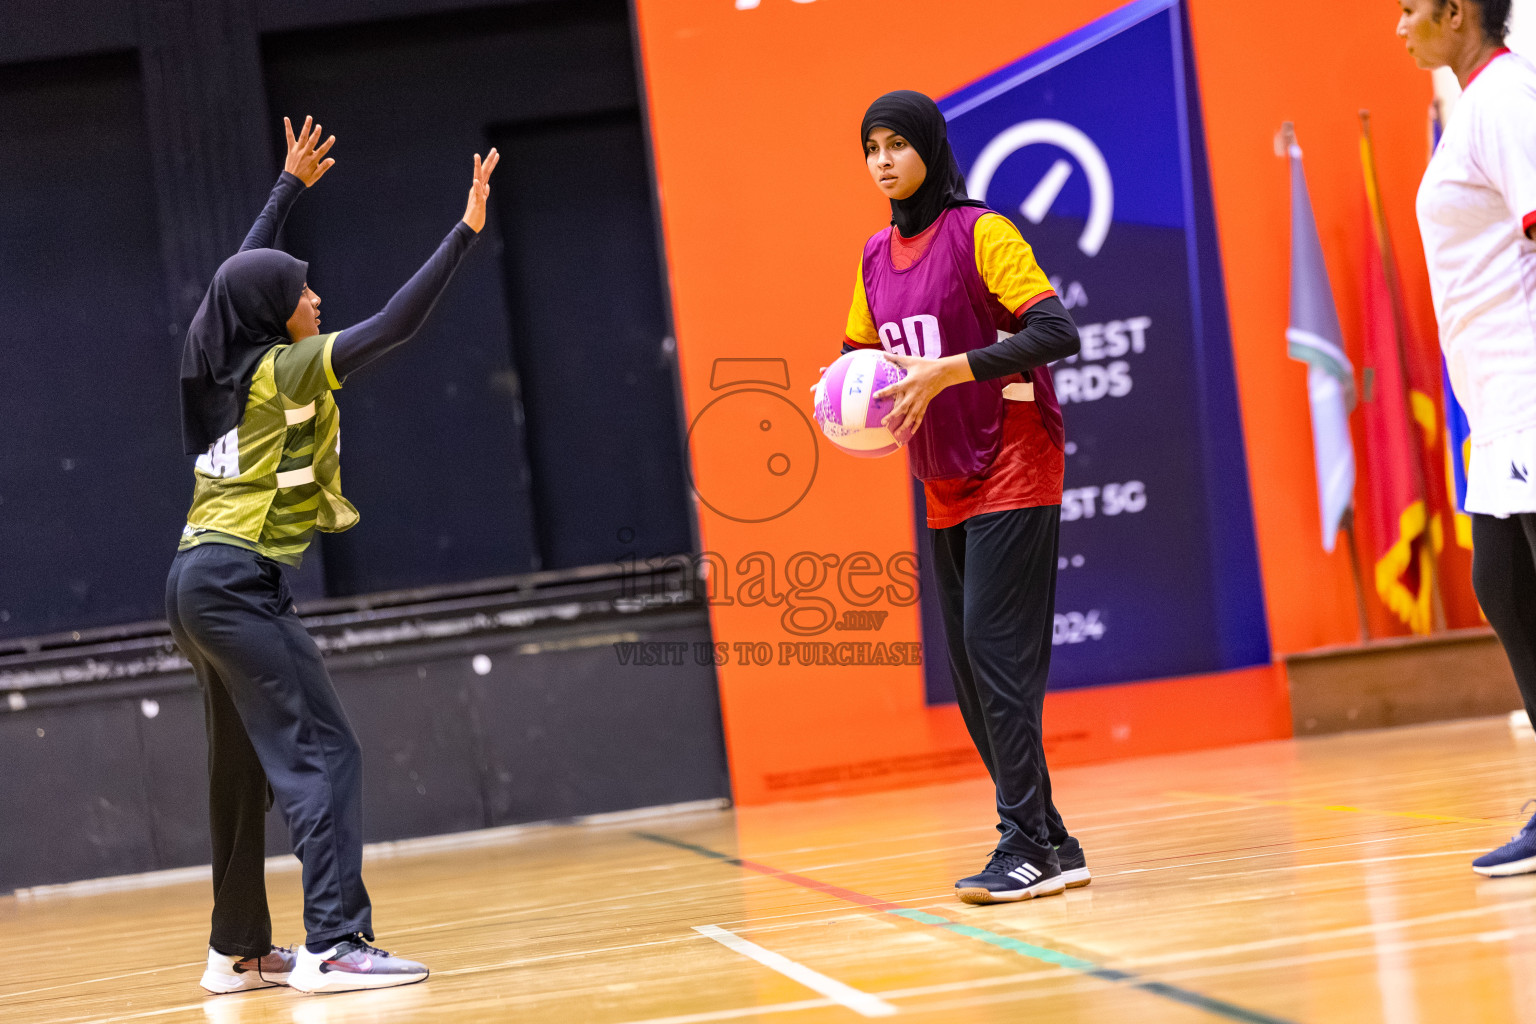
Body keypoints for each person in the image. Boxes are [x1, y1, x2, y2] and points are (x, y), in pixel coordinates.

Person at [168, 115, 499, 992]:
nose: (317, 298)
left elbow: (233, 282)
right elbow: (395, 323)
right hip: (238, 585)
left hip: (192, 582)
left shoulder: (215, 361)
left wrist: (284, 192)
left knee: (240, 770)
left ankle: (237, 951)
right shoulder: (286, 368)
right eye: (304, 291)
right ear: (278, 315)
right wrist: (465, 230)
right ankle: (335, 943)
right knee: (322, 751)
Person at [837, 90, 1085, 904]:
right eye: (870, 146)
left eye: (896, 143)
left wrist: (955, 368)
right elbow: (857, 360)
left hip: (1015, 457)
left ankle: (1022, 843)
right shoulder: (874, 256)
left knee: (993, 649)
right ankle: (1050, 837)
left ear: (929, 150)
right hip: (942, 471)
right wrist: (844, 400)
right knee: (972, 674)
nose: (882, 159)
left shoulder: (981, 231)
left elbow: (1056, 332)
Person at [1404, 0, 1536, 878]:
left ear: (1457, 13)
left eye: (1409, 7)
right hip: (1495, 404)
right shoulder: (1473, 104)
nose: (1399, 23)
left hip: (1529, 387)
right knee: (1503, 582)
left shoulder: (1506, 100)